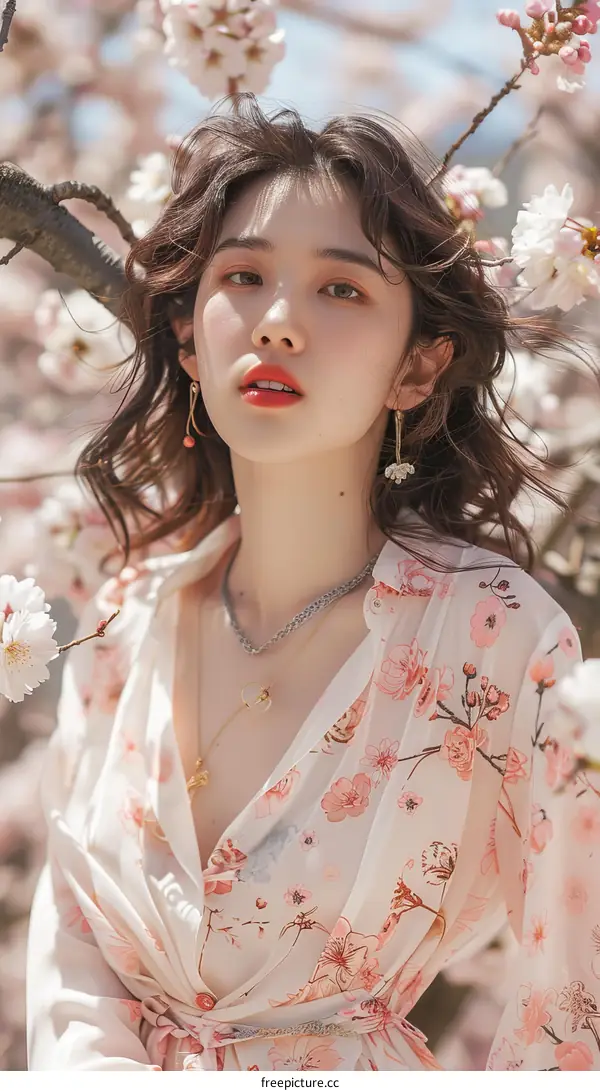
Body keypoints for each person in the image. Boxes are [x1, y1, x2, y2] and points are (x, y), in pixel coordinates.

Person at [26, 94, 600, 1072]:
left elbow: (570, 1004)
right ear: (184, 333)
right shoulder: (126, 623)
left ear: (419, 367)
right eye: (243, 275)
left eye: (342, 289)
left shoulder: (495, 636)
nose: (278, 322)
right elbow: (70, 962)